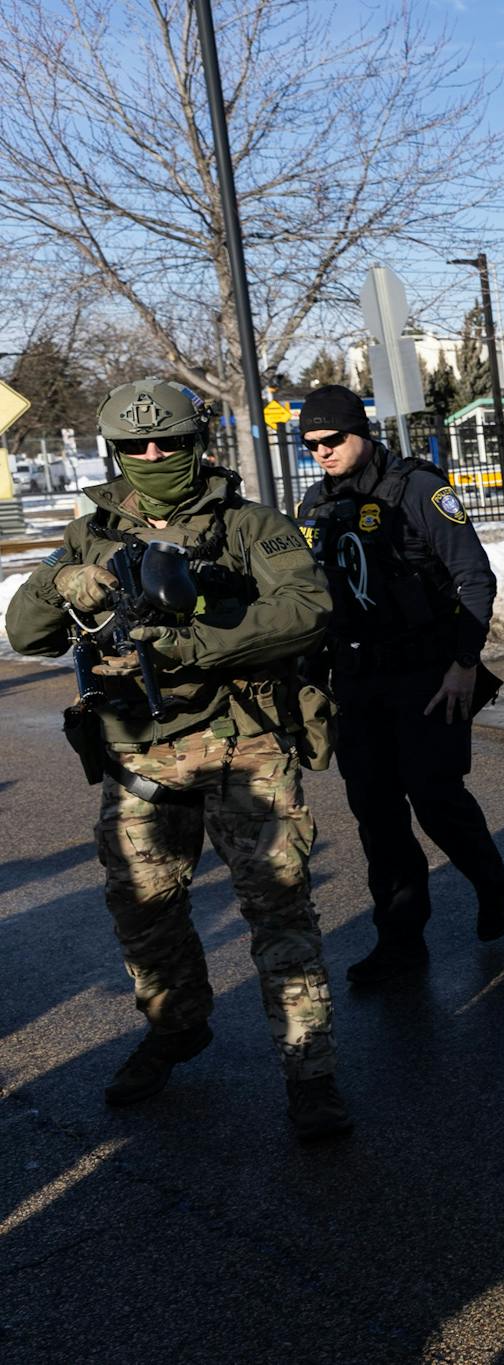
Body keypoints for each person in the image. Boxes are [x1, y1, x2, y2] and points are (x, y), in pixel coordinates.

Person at [4, 380, 350, 1141]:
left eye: (168, 442)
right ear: (116, 452)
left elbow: (306, 611)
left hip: (244, 743)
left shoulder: (254, 526)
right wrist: (58, 580)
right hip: (138, 754)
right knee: (144, 912)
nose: (154, 455)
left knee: (279, 910)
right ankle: (175, 1026)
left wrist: (194, 638)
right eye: (136, 446)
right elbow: (26, 635)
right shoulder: (89, 533)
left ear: (199, 442)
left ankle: (310, 1071)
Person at [293, 384, 504, 986]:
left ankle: (491, 880)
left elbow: (474, 578)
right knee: (377, 817)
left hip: (426, 675)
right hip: (357, 682)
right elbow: (309, 599)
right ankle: (400, 942)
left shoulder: (418, 488)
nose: (323, 452)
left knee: (436, 800)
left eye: (333, 440)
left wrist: (464, 662)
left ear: (361, 431)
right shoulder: (314, 503)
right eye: (310, 444)